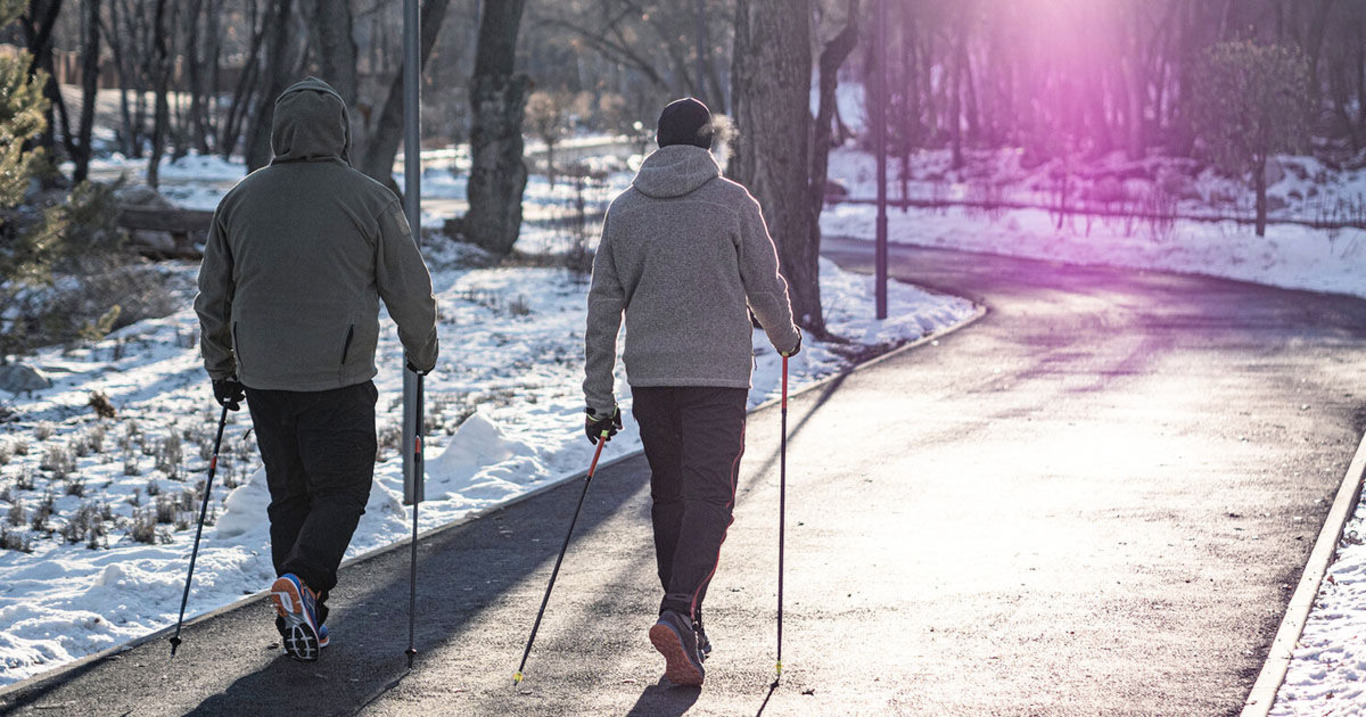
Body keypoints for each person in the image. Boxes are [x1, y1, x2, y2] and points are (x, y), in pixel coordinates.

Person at [194, 77, 438, 663]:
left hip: (262, 378)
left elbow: (212, 295)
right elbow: (410, 288)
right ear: (342, 132)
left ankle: (304, 613)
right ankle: (302, 582)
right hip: (339, 376)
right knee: (344, 488)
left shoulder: (239, 200)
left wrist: (221, 366)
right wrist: (420, 350)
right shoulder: (371, 198)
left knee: (290, 495)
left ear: (278, 131)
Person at [583, 97, 801, 687]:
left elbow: (604, 305)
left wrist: (597, 394)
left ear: (658, 143)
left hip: (651, 379)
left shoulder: (625, 211)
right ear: (709, 144)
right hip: (717, 378)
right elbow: (764, 282)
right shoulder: (733, 202)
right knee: (712, 500)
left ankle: (687, 621)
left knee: (671, 498)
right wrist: (785, 338)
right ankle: (679, 610)